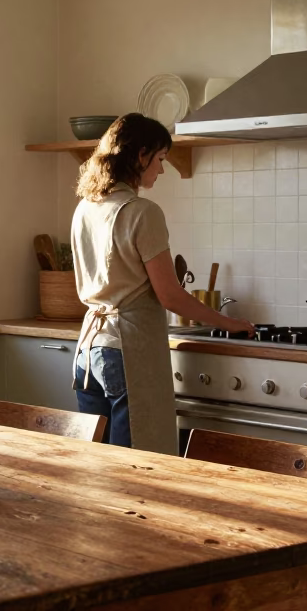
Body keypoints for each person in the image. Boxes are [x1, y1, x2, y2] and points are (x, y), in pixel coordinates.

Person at [71, 113, 255, 454]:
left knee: (96, 462)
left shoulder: (86, 208)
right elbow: (170, 295)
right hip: (127, 349)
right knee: (136, 464)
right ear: (140, 155)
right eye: (160, 159)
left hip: (88, 349)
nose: (161, 169)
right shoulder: (142, 211)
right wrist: (228, 323)